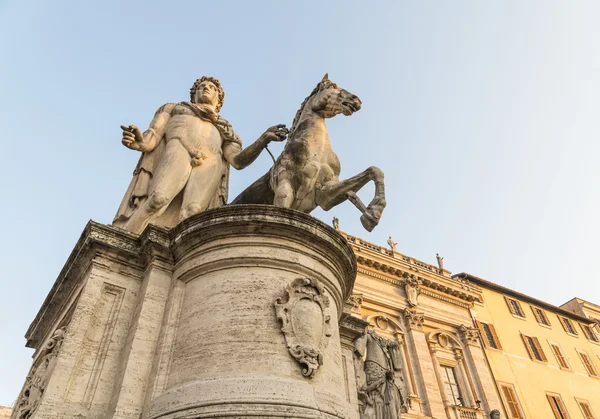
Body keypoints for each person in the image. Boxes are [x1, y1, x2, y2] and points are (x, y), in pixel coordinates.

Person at [114, 76, 288, 233]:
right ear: (194, 94)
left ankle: (180, 262)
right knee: (158, 199)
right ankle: (125, 238)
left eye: (212, 87)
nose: (206, 88)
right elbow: (153, 134)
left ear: (219, 99)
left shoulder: (226, 130)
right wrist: (139, 143)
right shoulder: (174, 109)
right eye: (201, 86)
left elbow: (237, 161)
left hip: (210, 161)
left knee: (193, 213)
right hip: (179, 148)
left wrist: (263, 139)